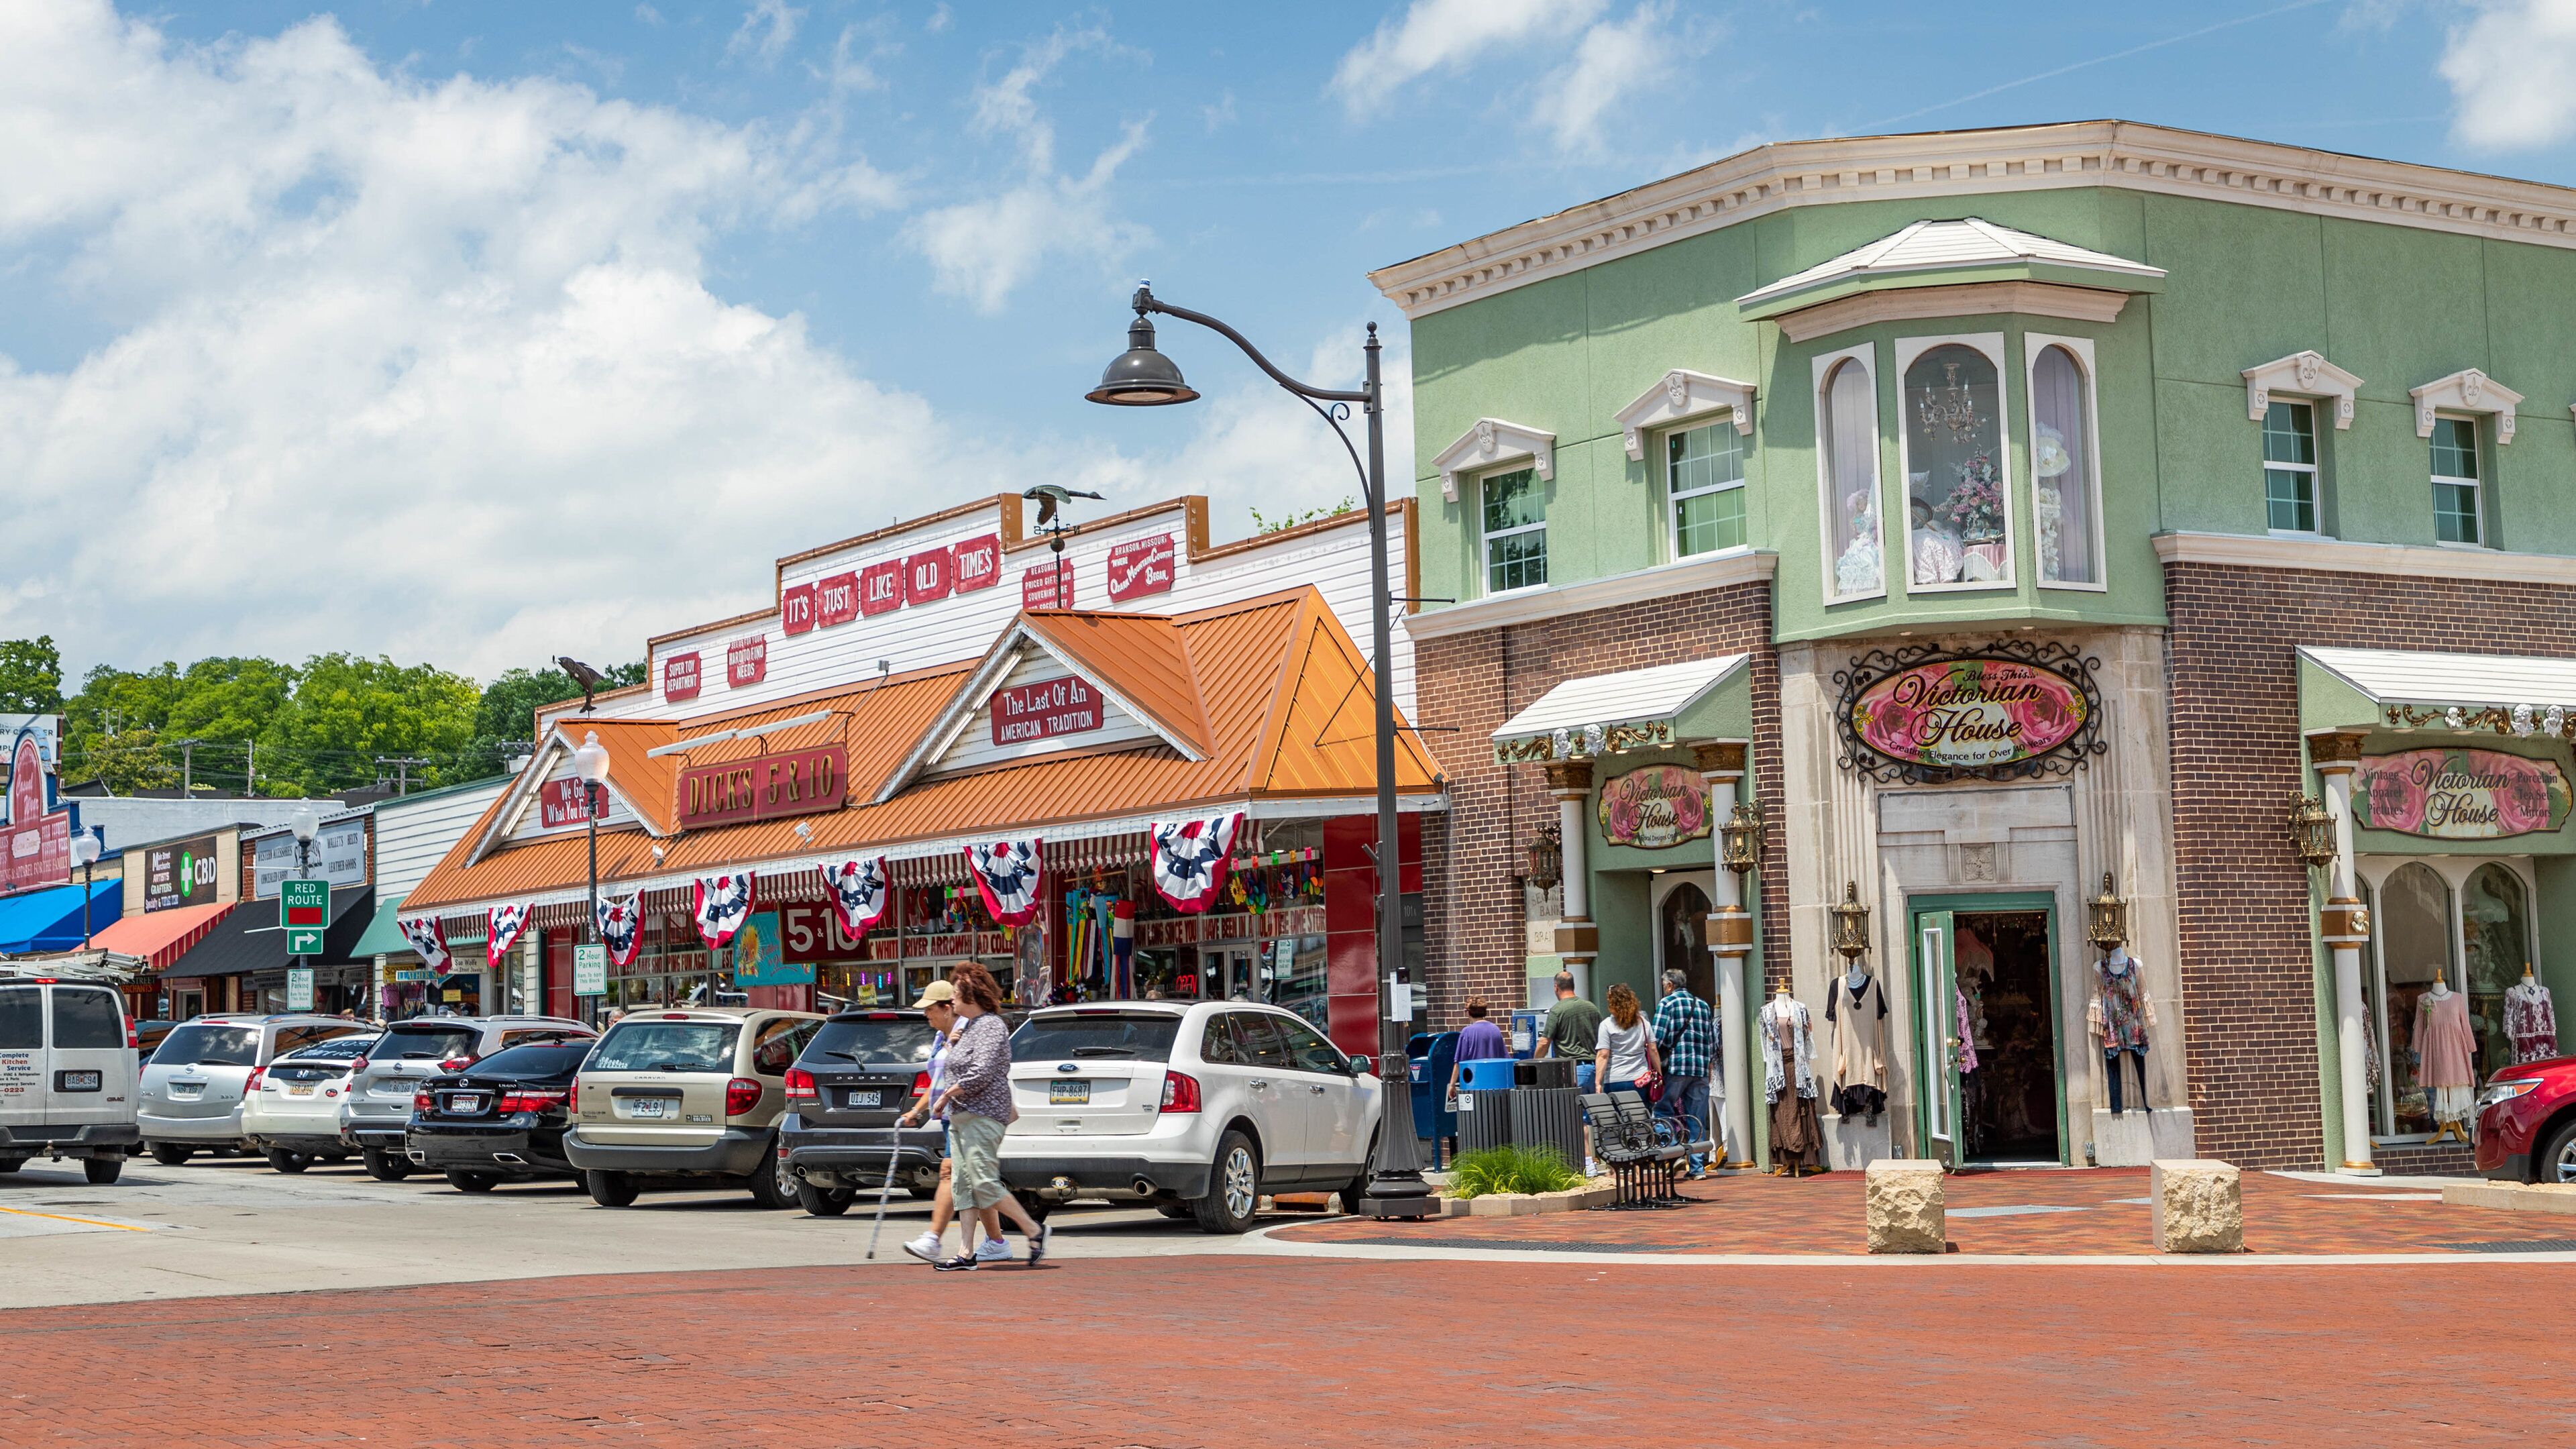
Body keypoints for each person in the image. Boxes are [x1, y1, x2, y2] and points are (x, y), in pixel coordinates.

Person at [930, 961, 1052, 1270]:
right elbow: (960, 1063)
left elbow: (981, 1072)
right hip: (962, 1118)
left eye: (956, 993)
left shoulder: (991, 1026)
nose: (952, 1000)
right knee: (963, 1185)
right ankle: (966, 1253)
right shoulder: (968, 1028)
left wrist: (947, 1094)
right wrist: (951, 1044)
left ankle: (1033, 1229)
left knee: (983, 1182)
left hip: (983, 1115)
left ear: (971, 995)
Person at [896, 981, 963, 1266]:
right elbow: (937, 1081)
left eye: (930, 1009)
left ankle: (933, 1239)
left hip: (965, 1116)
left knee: (950, 1175)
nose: (926, 1015)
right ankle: (998, 1241)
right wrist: (916, 1111)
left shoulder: (966, 1032)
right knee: (976, 1184)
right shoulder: (940, 1037)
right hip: (948, 1118)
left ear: (947, 1008)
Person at [1651, 968, 1717, 1178]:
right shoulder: (1703, 1005)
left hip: (1676, 1067)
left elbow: (1657, 1038)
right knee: (1696, 1118)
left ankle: (1674, 1153)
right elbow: (1710, 1040)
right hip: (1699, 1069)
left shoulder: (1667, 1003)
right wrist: (1708, 1067)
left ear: (1670, 985)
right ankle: (1698, 1169)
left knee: (1662, 1109)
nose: (1664, 990)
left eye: (1665, 987)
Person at [1594, 982, 1661, 1105]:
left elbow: (1603, 1055)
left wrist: (1598, 1082)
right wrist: (1659, 1074)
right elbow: (1653, 1049)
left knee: (1618, 1121)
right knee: (1640, 1118)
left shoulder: (1606, 1025)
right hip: (1640, 1079)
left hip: (1615, 1079)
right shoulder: (1643, 1022)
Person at [1539, 972, 1605, 1091]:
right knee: (1593, 1108)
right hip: (1595, 1070)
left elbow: (1544, 1043)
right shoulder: (1592, 1008)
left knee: (1573, 1109)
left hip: (1572, 1071)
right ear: (1573, 986)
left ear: (1556, 987)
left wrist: (1535, 1064)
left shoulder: (1557, 1011)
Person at [1445, 998, 1507, 1101]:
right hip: (1496, 1084)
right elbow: (1504, 1057)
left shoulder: (1467, 1032)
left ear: (1468, 1013)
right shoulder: (1495, 1029)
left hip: (1474, 1085)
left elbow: (1459, 1061)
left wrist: (1452, 1085)